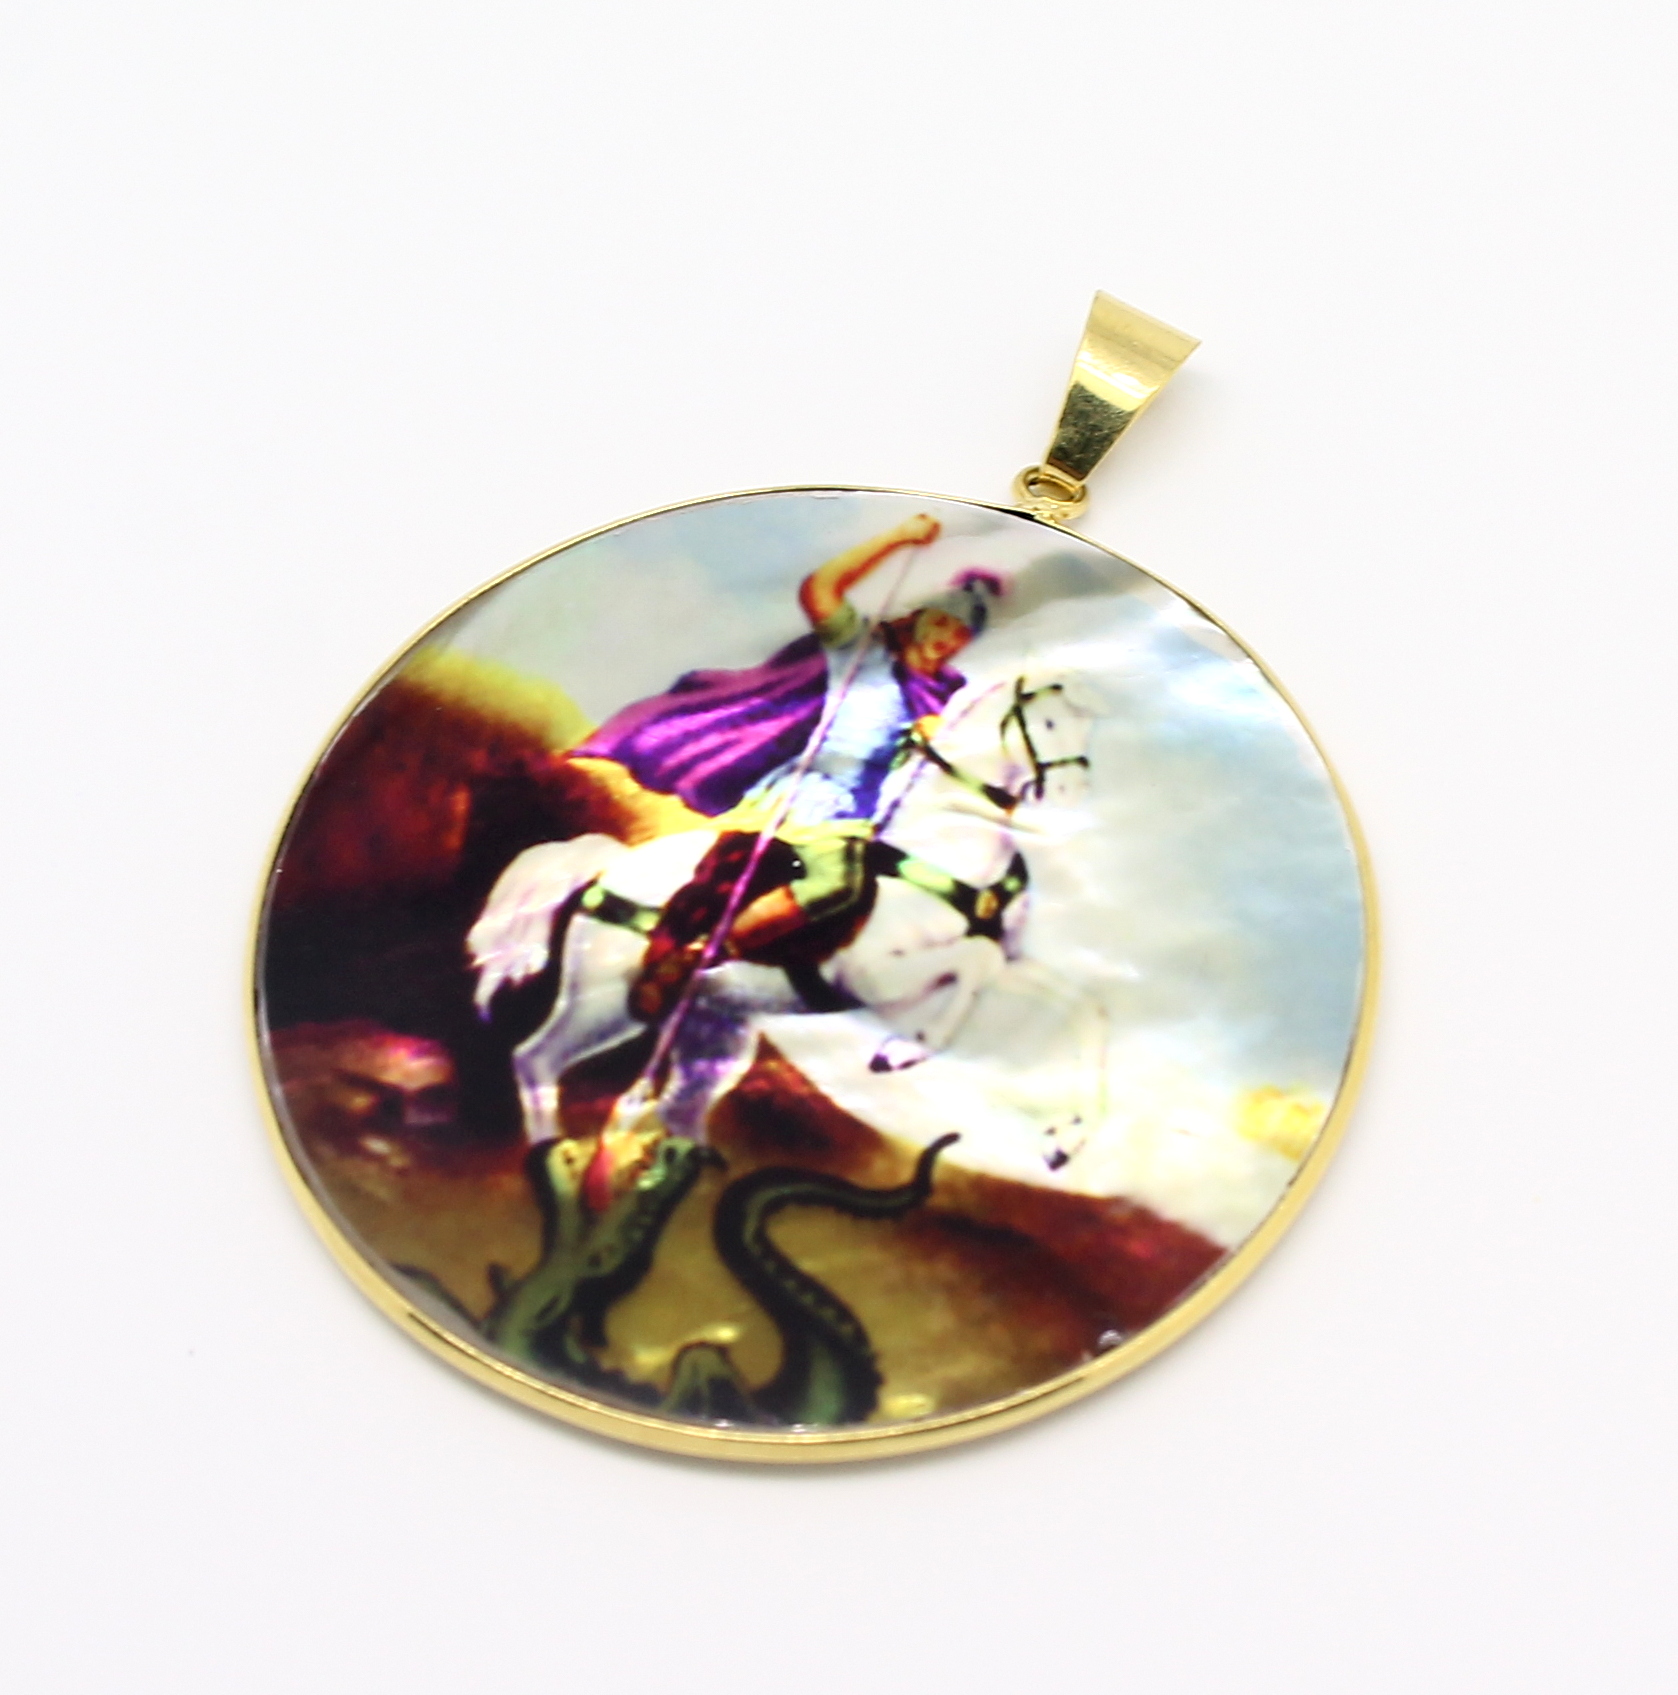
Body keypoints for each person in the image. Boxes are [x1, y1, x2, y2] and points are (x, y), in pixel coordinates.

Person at [571, 514, 998, 1010]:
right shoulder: (863, 655)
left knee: (853, 889)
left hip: (859, 819)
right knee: (768, 882)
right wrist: (897, 538)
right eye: (942, 621)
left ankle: (735, 956)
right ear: (921, 617)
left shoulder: (946, 700)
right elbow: (821, 590)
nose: (947, 637)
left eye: (961, 633)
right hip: (801, 797)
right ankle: (680, 953)